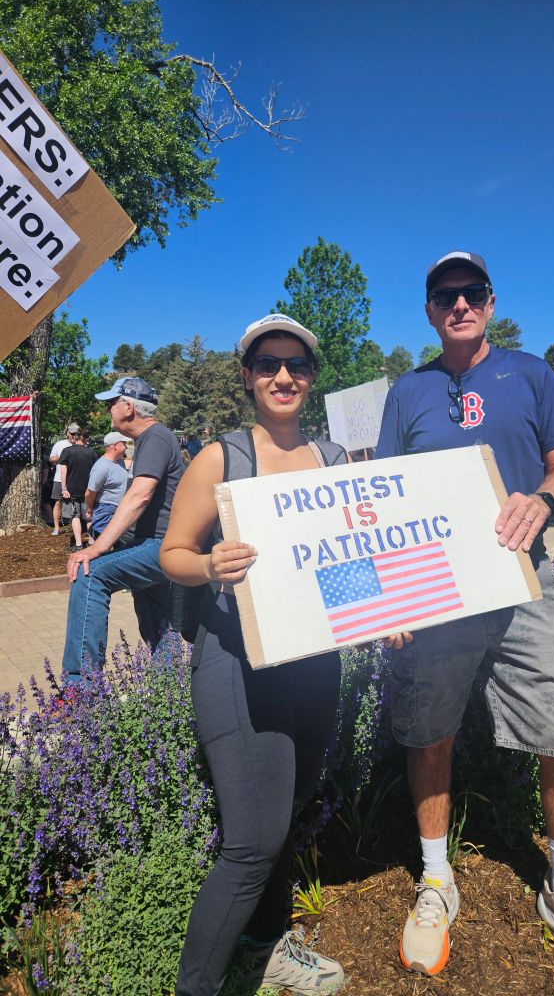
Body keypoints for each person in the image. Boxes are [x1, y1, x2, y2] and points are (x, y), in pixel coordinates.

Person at [375, 251, 554, 985]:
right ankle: (434, 881)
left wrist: (545, 502)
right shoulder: (409, 391)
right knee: (430, 728)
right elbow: (385, 491)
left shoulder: (530, 372)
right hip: (436, 585)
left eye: (472, 292)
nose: (459, 304)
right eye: (444, 295)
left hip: (525, 576)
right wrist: (391, 593)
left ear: (490, 301)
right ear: (428, 310)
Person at [160, 314, 347, 996]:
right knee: (249, 845)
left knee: (287, 812)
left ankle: (266, 948)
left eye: (296, 365)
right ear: (247, 376)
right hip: (238, 660)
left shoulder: (333, 461)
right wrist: (210, 564)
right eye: (268, 363)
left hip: (315, 663)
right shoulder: (222, 456)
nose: (283, 376)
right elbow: (171, 554)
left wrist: (389, 616)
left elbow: (349, 561)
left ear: (312, 378)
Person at [62, 378, 184, 683]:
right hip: (157, 544)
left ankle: (82, 690)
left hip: (160, 545)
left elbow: (141, 494)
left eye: (109, 404)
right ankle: (168, 694)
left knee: (89, 575)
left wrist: (97, 547)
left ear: (127, 407)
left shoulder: (154, 437)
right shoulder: (154, 438)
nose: (107, 411)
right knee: (159, 624)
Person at [57, 426, 98, 550]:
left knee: (75, 516)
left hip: (71, 489)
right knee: (89, 516)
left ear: (76, 437)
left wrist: (63, 488)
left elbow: (63, 471)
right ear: (86, 439)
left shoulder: (67, 451)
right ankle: (92, 542)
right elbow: (96, 473)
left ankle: (79, 544)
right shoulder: (92, 453)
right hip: (89, 490)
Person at [84, 431, 129, 538]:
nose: (126, 447)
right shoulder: (101, 467)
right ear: (115, 446)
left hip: (120, 509)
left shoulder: (120, 461)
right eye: (124, 443)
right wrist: (90, 508)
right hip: (106, 510)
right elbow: (89, 493)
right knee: (104, 544)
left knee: (118, 544)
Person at [48, 425, 74, 535]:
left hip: (74, 478)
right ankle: (57, 528)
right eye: (71, 432)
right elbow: (51, 460)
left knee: (76, 502)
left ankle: (76, 527)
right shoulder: (59, 444)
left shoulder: (82, 444)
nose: (73, 435)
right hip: (59, 478)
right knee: (58, 502)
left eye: (75, 432)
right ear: (67, 433)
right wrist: (63, 457)